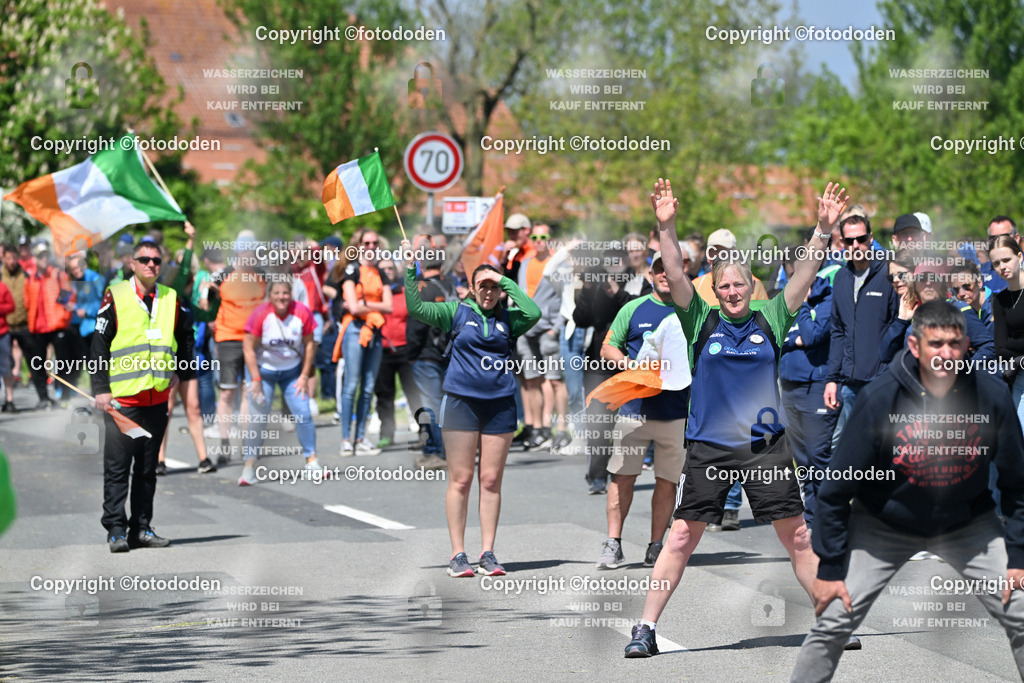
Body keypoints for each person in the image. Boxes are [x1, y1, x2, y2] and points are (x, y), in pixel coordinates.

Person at [624, 178, 848, 657]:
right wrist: (666, 225)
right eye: (723, 285)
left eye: (739, 284)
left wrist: (823, 230)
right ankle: (644, 629)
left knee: (799, 536)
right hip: (709, 445)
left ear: (752, 286)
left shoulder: (772, 316)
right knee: (682, 535)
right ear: (716, 288)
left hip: (766, 446)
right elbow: (675, 272)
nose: (731, 292)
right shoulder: (699, 319)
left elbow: (806, 274)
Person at [791, 301, 1024, 681]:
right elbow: (834, 490)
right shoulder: (881, 398)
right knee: (832, 620)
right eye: (936, 344)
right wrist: (831, 569)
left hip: (968, 523)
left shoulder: (990, 395)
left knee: (1021, 611)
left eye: (954, 344)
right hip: (883, 522)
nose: (946, 355)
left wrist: (1018, 555)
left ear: (966, 345)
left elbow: (1017, 483)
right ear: (914, 346)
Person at [404, 242, 540, 577]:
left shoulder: (509, 319)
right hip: (461, 402)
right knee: (462, 479)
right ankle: (457, 554)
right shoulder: (456, 311)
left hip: (500, 405)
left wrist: (504, 279)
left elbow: (534, 313)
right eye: (484, 286)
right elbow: (417, 308)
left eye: (494, 287)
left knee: (491, 479)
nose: (490, 292)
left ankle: (488, 553)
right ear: (471, 289)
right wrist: (410, 272)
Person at [93, 241, 195, 552]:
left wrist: (183, 369)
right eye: (145, 259)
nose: (151, 264)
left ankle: (141, 527)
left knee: (147, 470)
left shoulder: (170, 298)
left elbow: (185, 335)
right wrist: (100, 388)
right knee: (118, 468)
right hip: (123, 401)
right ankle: (115, 528)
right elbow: (99, 343)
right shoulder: (117, 295)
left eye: (156, 260)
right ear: (133, 263)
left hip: (156, 400)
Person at [596, 251, 689, 570]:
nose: (664, 274)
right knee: (623, 477)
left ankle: (656, 545)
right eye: (659, 270)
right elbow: (607, 347)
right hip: (633, 411)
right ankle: (613, 544)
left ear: (681, 271)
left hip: (675, 412)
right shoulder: (633, 308)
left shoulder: (691, 310)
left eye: (670, 269)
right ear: (650, 275)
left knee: (667, 481)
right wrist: (630, 365)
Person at [823, 213, 899, 457]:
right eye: (849, 241)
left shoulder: (889, 275)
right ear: (843, 243)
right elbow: (837, 331)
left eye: (861, 238)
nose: (855, 245)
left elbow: (900, 326)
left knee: (883, 449)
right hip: (849, 384)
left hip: (882, 381)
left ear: (871, 238)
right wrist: (832, 379)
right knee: (848, 450)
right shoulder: (841, 278)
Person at [779, 227, 839, 527]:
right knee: (802, 461)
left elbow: (813, 336)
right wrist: (794, 339)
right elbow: (777, 339)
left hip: (817, 388)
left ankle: (826, 520)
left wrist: (801, 305)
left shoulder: (828, 297)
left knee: (819, 458)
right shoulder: (782, 298)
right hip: (788, 389)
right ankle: (812, 520)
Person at [238, 279, 318, 485]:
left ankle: (312, 461)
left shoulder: (301, 312)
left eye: (285, 293)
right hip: (264, 372)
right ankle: (248, 467)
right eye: (277, 293)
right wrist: (255, 378)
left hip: (292, 373)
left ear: (291, 294)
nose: (281, 297)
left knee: (304, 414)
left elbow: (310, 344)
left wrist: (304, 375)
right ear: (270, 295)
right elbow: (248, 347)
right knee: (258, 418)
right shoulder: (261, 314)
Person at [158, 221, 217, 474]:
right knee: (167, 408)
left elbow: (210, 315)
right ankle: (159, 460)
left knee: (193, 407)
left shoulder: (189, 304)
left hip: (188, 356)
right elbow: (183, 269)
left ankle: (204, 459)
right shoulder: (169, 294)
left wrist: (215, 296)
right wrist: (191, 240)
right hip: (167, 358)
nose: (186, 278)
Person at [328, 230, 391, 456]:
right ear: (360, 245)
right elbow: (352, 307)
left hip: (375, 330)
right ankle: (346, 439)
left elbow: (389, 306)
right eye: (367, 243)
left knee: (367, 387)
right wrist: (372, 307)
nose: (371, 246)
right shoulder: (351, 270)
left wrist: (365, 306)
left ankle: (361, 437)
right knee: (351, 385)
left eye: (375, 242)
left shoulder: (381, 272)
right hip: (354, 330)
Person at [211, 238, 266, 463]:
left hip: (253, 340)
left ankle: (246, 443)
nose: (250, 256)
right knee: (226, 392)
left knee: (248, 392)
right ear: (238, 254)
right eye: (246, 252)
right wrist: (210, 318)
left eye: (254, 252)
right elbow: (205, 298)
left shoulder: (262, 275)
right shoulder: (223, 274)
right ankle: (224, 443)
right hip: (228, 339)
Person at [403, 256, 457, 469]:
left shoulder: (421, 287)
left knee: (431, 404)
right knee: (447, 403)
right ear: (441, 265)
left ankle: (437, 452)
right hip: (449, 352)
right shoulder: (450, 285)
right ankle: (449, 450)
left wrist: (411, 353)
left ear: (422, 266)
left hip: (426, 353)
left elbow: (417, 324)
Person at [516, 224, 564, 451]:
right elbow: (520, 294)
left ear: (550, 239)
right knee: (531, 379)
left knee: (552, 380)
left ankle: (553, 428)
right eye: (534, 236)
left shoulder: (558, 264)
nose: (538, 240)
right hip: (527, 329)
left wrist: (555, 327)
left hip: (548, 329)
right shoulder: (525, 264)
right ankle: (536, 428)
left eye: (543, 236)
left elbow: (566, 297)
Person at [373, 258, 421, 450]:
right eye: (383, 268)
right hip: (382, 350)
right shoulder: (374, 295)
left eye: (390, 268)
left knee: (414, 393)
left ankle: (424, 431)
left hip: (406, 350)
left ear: (397, 270)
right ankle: (387, 433)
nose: (387, 271)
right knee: (384, 395)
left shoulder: (405, 292)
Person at [23, 250, 75, 409]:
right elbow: (26, 302)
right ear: (35, 259)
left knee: (63, 362)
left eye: (46, 256)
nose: (44, 259)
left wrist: (64, 318)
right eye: (40, 257)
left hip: (56, 325)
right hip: (37, 327)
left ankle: (65, 395)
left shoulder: (58, 275)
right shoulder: (30, 279)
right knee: (37, 364)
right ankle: (43, 397)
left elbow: (69, 296)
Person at [990, 235, 1024, 426]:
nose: (1002, 266)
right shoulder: (1000, 299)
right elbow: (1000, 349)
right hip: (1020, 376)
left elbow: (1007, 344)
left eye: (1006, 260)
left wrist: (1014, 347)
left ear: (1019, 256)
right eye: (996, 263)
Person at [1, 244, 28, 412]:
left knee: (5, 367)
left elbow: (9, 305)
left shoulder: (2, 287)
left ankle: (9, 399)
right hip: (8, 328)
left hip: (3, 332)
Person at [983, 216, 1019, 293]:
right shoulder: (983, 271)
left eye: (1004, 236)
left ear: (1016, 238)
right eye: (994, 238)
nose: (999, 241)